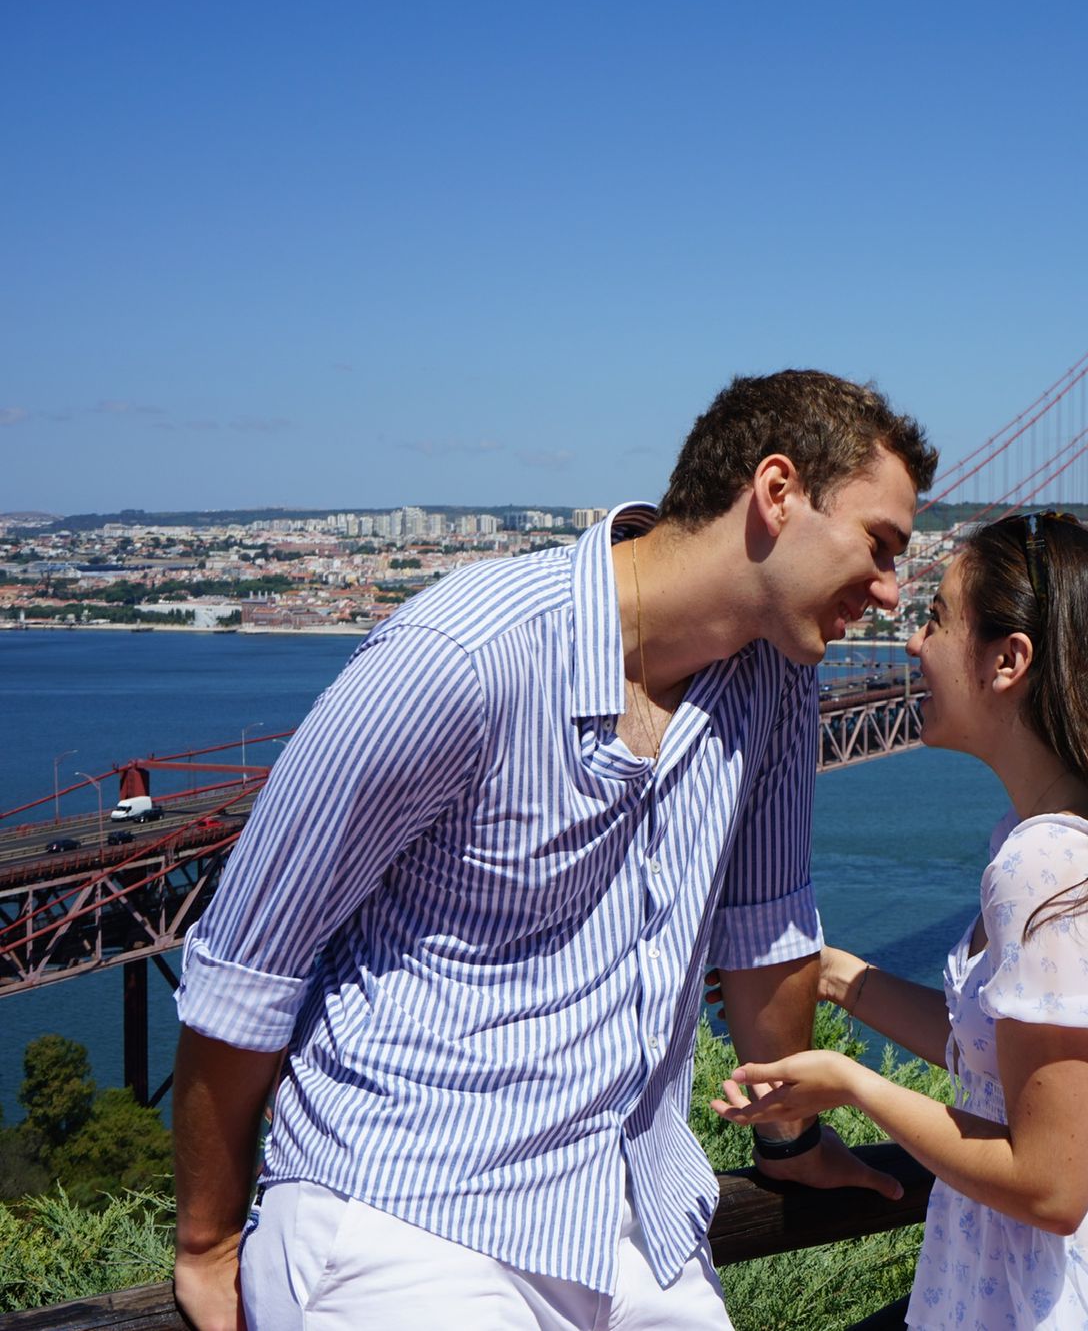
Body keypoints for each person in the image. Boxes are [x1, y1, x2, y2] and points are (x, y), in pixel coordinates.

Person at [171, 370, 939, 1331]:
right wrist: (206, 1240)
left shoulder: (779, 682)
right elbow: (249, 961)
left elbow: (765, 932)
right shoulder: (460, 657)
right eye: (880, 546)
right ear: (776, 493)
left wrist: (790, 1145)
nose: (890, 590)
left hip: (640, 1222)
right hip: (406, 1213)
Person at [711, 511, 1088, 1329]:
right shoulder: (1084, 833)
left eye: (936, 619)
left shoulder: (1046, 865)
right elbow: (1011, 1061)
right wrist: (836, 977)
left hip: (1076, 1292)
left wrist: (853, 1084)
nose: (913, 644)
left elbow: (1049, 1182)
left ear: (1009, 661)